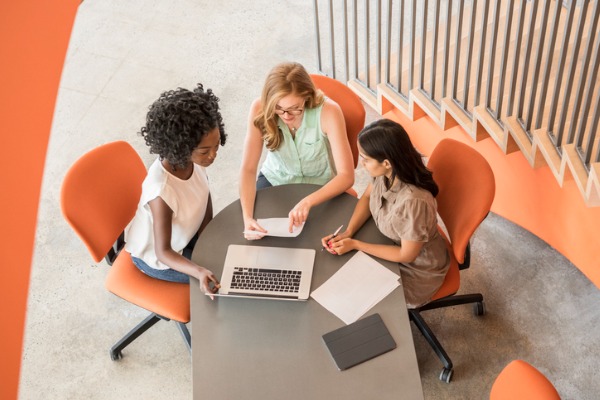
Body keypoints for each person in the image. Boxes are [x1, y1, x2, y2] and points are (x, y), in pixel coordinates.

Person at [321, 119, 450, 308]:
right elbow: (367, 197)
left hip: (417, 268)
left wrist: (356, 244)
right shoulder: (385, 173)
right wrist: (349, 232)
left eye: (365, 158)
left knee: (356, 298)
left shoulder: (414, 202)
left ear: (387, 162)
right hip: (389, 242)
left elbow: (406, 256)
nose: (361, 163)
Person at [125, 84, 226, 298]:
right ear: (182, 146)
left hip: (186, 238)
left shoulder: (194, 161)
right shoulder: (162, 193)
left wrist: (206, 240)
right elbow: (163, 253)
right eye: (205, 150)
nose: (213, 155)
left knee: (231, 258)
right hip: (158, 259)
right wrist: (199, 270)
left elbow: (203, 193)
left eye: (217, 146)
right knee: (223, 280)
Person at [239, 62, 354, 238]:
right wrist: (247, 218)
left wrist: (308, 201)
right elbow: (247, 169)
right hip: (275, 178)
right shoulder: (259, 108)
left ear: (307, 97)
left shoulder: (329, 112)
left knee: (322, 240)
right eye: (279, 108)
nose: (286, 116)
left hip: (319, 184)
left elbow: (346, 175)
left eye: (295, 109)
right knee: (260, 239)